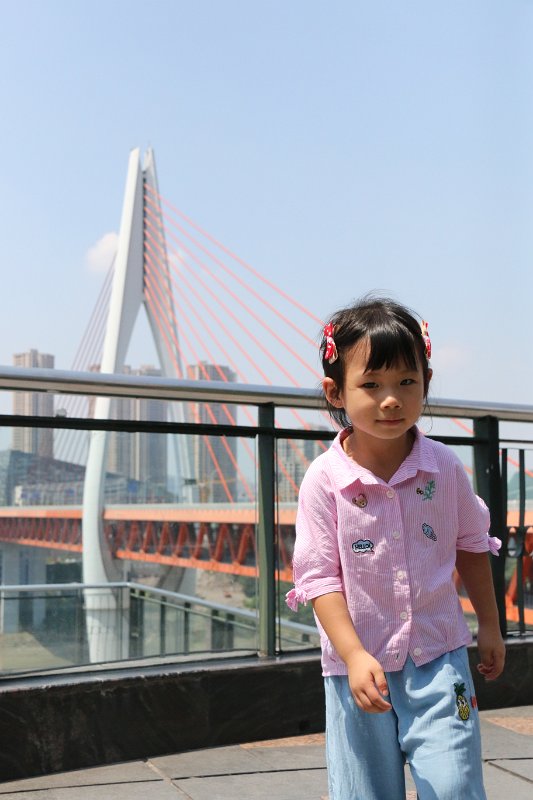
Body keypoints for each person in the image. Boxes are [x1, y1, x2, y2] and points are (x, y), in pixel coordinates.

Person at [286, 296, 506, 800]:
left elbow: (472, 544)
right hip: (356, 670)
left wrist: (491, 626)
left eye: (407, 382)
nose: (391, 400)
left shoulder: (444, 468)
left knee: (455, 785)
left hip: (440, 657)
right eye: (371, 385)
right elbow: (318, 578)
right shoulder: (325, 480)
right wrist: (353, 654)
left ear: (425, 382)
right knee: (364, 791)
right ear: (335, 391)